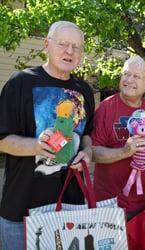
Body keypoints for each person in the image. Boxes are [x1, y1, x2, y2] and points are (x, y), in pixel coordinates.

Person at [0, 21, 95, 249]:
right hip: (21, 210)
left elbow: (87, 135)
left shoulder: (84, 91)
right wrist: (35, 146)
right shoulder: (20, 83)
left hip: (69, 208)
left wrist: (88, 153)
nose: (69, 51)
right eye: (62, 44)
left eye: (76, 47)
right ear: (46, 45)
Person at [91, 55, 145, 219]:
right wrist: (124, 151)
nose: (129, 80)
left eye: (136, 76)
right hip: (110, 204)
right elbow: (93, 153)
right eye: (126, 74)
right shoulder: (106, 108)